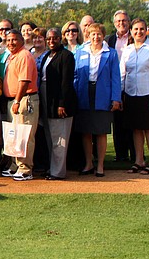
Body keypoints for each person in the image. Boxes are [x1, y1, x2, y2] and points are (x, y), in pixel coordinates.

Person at [120, 18, 149, 175]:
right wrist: (120, 94)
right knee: (136, 129)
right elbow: (122, 73)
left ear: (147, 30)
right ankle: (139, 161)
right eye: (135, 29)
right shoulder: (128, 50)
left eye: (141, 29)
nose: (138, 32)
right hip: (131, 93)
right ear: (131, 32)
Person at [73, 23, 121, 177]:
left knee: (101, 131)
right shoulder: (80, 52)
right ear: (88, 35)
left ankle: (100, 165)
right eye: (92, 34)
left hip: (103, 94)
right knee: (86, 131)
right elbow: (75, 75)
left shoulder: (111, 53)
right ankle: (88, 163)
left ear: (103, 35)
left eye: (99, 34)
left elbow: (115, 77)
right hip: (83, 93)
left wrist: (116, 98)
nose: (96, 37)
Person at [37, 28, 77, 180]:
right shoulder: (47, 55)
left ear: (61, 39)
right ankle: (52, 168)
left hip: (60, 100)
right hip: (47, 98)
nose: (51, 41)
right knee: (49, 136)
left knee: (60, 138)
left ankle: (58, 172)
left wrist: (62, 104)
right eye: (49, 39)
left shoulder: (67, 56)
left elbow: (66, 82)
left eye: (55, 38)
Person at [1, 30, 39, 181]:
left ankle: (25, 169)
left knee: (24, 136)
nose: (11, 43)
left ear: (21, 40)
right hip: (14, 100)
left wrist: (17, 100)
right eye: (8, 40)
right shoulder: (12, 56)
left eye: (14, 40)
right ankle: (15, 165)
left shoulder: (24, 55)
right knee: (14, 135)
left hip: (24, 99)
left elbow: (24, 81)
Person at [106, 10, 133, 162]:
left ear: (128, 22)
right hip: (115, 84)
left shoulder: (134, 37)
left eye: (124, 21)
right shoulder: (109, 40)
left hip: (132, 83)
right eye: (118, 21)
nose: (121, 23)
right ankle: (121, 155)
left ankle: (135, 155)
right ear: (114, 23)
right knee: (117, 122)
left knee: (132, 121)